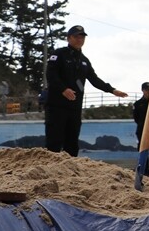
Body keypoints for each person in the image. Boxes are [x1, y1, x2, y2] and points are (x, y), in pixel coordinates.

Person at [45, 25, 128, 156]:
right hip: (57, 106)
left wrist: (112, 90)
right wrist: (63, 89)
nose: (80, 39)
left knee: (72, 142)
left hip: (74, 108)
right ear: (68, 38)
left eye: (82, 36)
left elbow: (94, 79)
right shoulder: (59, 54)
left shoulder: (84, 60)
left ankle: (70, 171)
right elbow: (51, 75)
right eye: (76, 36)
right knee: (54, 141)